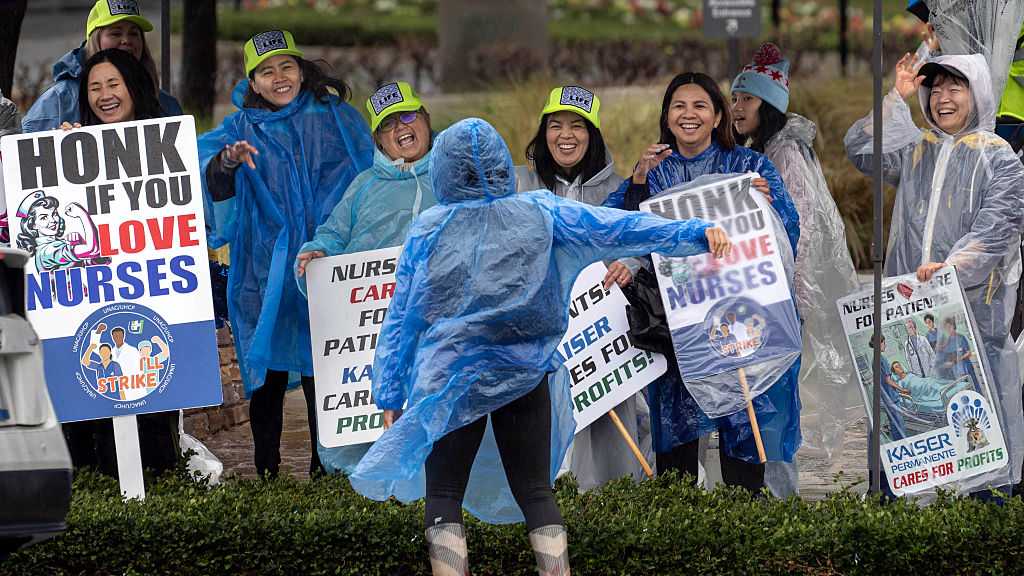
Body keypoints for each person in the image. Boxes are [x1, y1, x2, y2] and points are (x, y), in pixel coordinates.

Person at [348, 118, 731, 576]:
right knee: (536, 491)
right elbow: (620, 228)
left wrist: (389, 392)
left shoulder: (428, 230)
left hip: (449, 380)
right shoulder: (542, 212)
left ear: (444, 171)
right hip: (524, 375)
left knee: (443, 493)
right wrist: (694, 233)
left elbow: (401, 318)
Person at [602, 72, 802, 494]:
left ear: (717, 117)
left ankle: (743, 531)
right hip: (678, 330)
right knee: (676, 449)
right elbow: (619, 227)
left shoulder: (748, 166)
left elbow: (788, 234)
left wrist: (768, 207)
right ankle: (684, 541)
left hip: (741, 325)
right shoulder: (651, 171)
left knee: (743, 440)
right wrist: (638, 181)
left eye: (699, 106)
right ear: (666, 116)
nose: (688, 115)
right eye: (679, 106)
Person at [845, 52, 1024, 495]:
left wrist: (950, 271)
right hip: (911, 305)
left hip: (973, 313)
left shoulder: (1000, 159)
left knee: (976, 407)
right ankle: (908, 503)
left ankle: (985, 502)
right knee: (915, 414)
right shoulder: (917, 148)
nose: (943, 98)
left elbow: (995, 230)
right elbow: (863, 149)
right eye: (935, 88)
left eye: (955, 87)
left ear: (977, 92)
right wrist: (895, 97)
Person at [199, 30, 373, 478]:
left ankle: (326, 465)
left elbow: (370, 177)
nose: (279, 77)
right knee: (267, 373)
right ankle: (267, 471)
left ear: (301, 70)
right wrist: (227, 164)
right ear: (253, 83)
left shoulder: (336, 118)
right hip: (265, 272)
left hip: (325, 266)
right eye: (266, 71)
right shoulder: (239, 129)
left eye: (286, 66)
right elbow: (206, 177)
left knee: (326, 367)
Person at [730, 43, 861, 497]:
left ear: (768, 104)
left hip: (780, 301)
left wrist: (793, 297)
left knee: (775, 405)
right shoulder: (768, 149)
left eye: (746, 98)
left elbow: (802, 229)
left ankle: (777, 495)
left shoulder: (785, 155)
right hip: (769, 298)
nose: (737, 107)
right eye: (734, 99)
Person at [294, 80, 436, 473]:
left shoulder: (453, 175)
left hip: (441, 329)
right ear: (378, 140)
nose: (400, 128)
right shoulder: (363, 187)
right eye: (389, 125)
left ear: (425, 120)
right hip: (375, 332)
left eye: (408, 116)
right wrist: (315, 257)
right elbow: (331, 236)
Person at [515, 85, 653, 491]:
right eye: (555, 125)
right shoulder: (520, 185)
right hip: (541, 336)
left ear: (593, 135)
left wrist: (627, 265)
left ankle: (613, 502)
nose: (566, 135)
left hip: (601, 337)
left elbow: (639, 243)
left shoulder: (617, 188)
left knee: (612, 428)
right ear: (543, 133)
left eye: (578, 126)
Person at [55, 48, 181, 477]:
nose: (104, 95)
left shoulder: (167, 147)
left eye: (113, 84)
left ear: (132, 87)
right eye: (94, 88)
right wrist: (62, 150)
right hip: (89, 309)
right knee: (94, 422)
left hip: (152, 308)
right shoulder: (68, 145)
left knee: (152, 420)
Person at [22, 0, 181, 133]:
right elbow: (26, 156)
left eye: (134, 33)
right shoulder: (58, 100)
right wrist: (57, 146)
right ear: (95, 40)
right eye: (116, 33)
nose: (126, 40)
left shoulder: (166, 104)